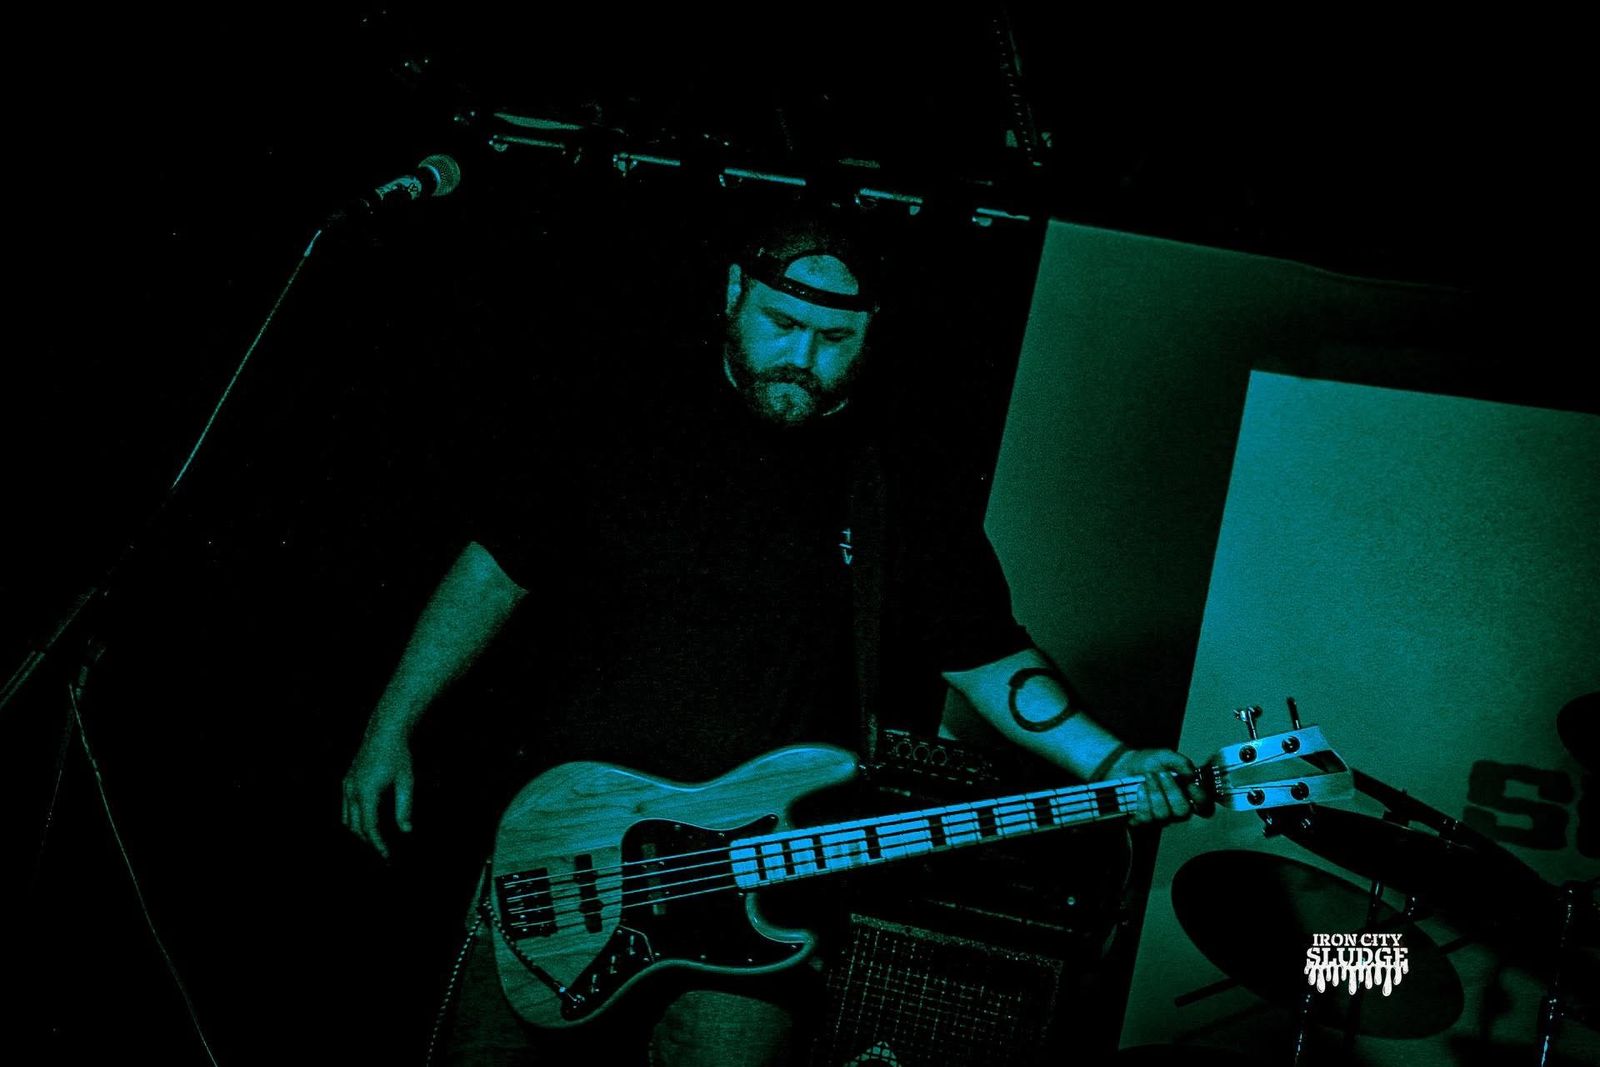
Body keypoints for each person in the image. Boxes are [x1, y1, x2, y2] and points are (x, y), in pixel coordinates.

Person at [341, 203, 1207, 1065]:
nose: (803, 358)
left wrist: (1113, 761)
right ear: (732, 293)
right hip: (569, 855)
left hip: (766, 892)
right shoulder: (624, 423)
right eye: (782, 324)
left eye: (834, 339)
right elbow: (494, 569)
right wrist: (390, 724)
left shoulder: (896, 483)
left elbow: (985, 654)